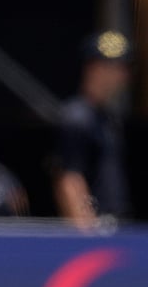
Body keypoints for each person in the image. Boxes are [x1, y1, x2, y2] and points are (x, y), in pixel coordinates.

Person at [53, 30, 134, 230]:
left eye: (124, 68)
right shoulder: (77, 116)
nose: (122, 76)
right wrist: (87, 231)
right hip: (97, 228)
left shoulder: (108, 118)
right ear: (93, 68)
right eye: (114, 67)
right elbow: (70, 179)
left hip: (115, 225)